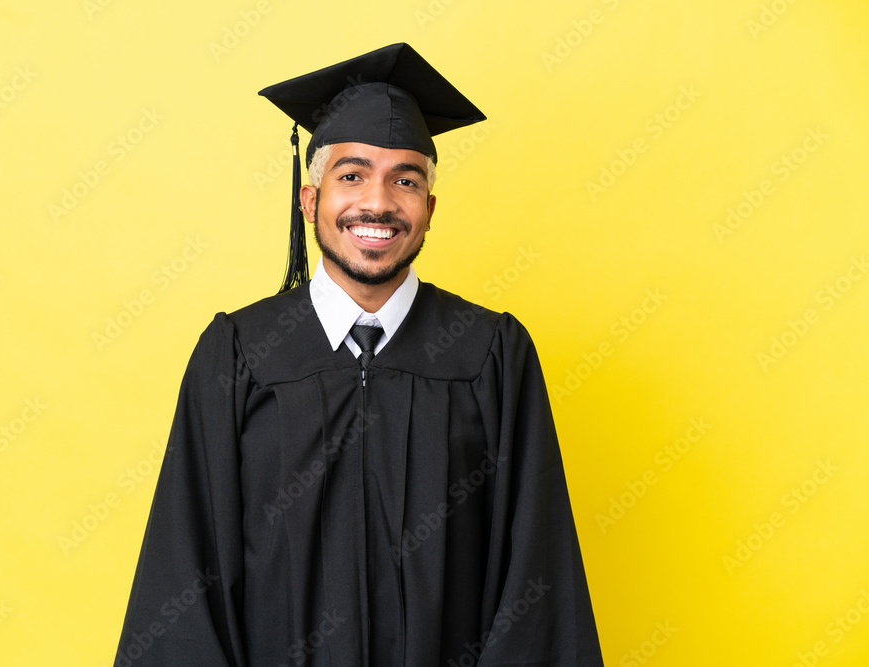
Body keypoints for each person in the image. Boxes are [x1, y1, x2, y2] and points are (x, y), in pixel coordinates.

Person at [114, 43, 604, 667]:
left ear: (428, 210)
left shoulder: (491, 355)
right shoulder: (238, 354)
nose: (377, 203)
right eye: (351, 175)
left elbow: (537, 571)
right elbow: (183, 574)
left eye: (405, 180)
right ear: (310, 200)